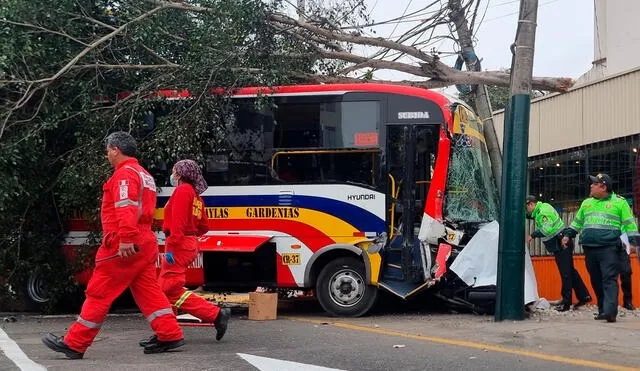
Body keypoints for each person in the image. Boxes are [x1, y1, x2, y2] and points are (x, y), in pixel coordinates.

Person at [42, 132, 184, 359]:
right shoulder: (144, 174)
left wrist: (126, 238)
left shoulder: (125, 174)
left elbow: (125, 206)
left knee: (99, 292)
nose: (107, 155)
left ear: (115, 149)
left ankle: (75, 343)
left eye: (108, 151)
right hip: (144, 242)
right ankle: (169, 333)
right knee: (149, 292)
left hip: (124, 243)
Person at [139, 160, 230, 347]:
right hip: (187, 244)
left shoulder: (182, 191)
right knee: (168, 291)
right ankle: (166, 332)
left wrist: (171, 249)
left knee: (164, 291)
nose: (171, 174)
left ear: (180, 174)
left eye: (173, 171)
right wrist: (190, 237)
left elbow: (178, 224)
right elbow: (204, 226)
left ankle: (211, 316)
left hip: (177, 245)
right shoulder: (196, 196)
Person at [562, 173, 639, 323]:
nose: (591, 186)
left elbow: (630, 224)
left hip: (609, 248)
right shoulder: (587, 203)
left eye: (594, 184)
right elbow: (577, 223)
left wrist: (634, 243)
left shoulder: (619, 203)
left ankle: (610, 312)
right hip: (589, 248)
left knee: (609, 278)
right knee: (596, 279)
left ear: (603, 187)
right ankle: (603, 309)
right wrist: (567, 235)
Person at [525, 195, 591, 311]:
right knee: (570, 271)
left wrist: (532, 235)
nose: (527, 211)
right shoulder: (544, 207)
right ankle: (584, 296)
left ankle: (566, 302)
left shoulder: (542, 213)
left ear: (531, 204)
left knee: (565, 274)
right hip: (562, 242)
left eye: (526, 208)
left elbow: (547, 229)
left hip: (561, 243)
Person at [619, 233, 634, 310]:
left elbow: (631, 228)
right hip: (607, 247)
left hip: (622, 247)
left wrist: (632, 242)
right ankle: (606, 303)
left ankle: (627, 301)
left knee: (626, 272)